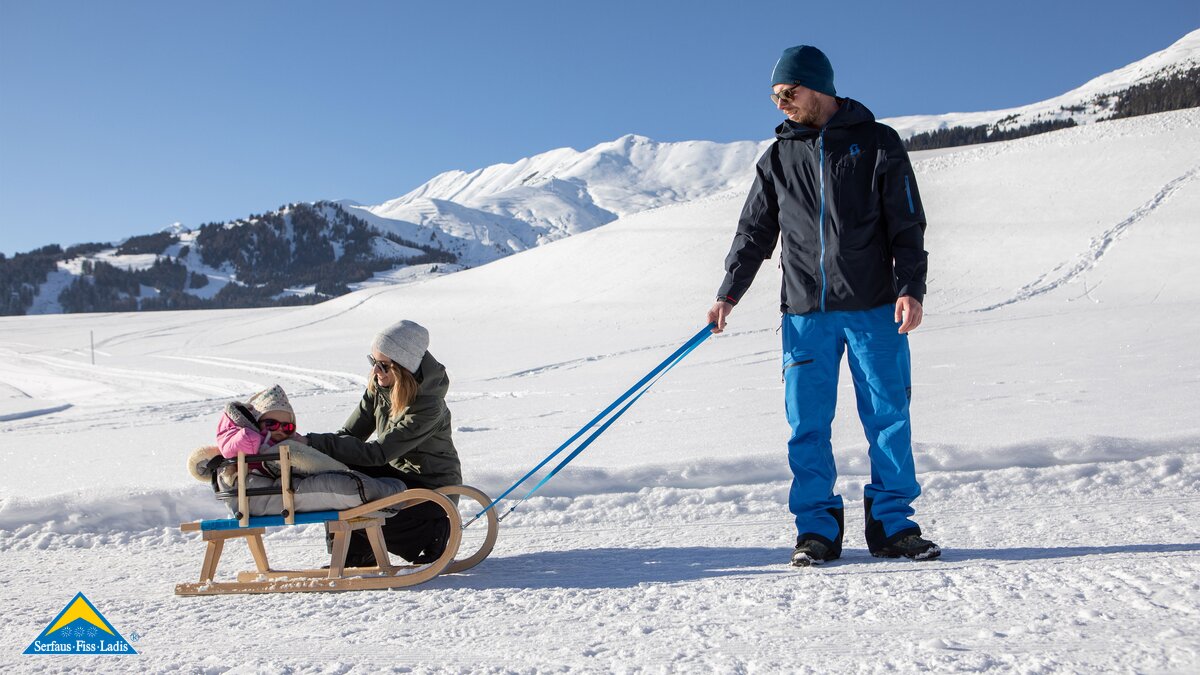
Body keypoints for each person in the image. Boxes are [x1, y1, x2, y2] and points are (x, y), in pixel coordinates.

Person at [706, 45, 940, 566]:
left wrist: (911, 288)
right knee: (806, 424)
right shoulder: (777, 158)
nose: (781, 104)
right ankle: (816, 529)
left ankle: (893, 525)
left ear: (819, 87)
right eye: (774, 96)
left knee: (888, 417)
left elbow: (906, 221)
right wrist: (728, 293)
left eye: (788, 93)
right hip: (804, 313)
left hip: (875, 306)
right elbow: (754, 233)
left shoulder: (877, 143)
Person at [290, 320, 462, 565]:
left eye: (383, 365)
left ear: (404, 368)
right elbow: (349, 435)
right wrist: (309, 451)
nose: (375, 371)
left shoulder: (428, 406)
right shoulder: (379, 388)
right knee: (338, 473)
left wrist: (314, 442)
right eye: (373, 362)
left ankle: (432, 533)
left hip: (431, 490)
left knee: (359, 488)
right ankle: (355, 552)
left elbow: (378, 453)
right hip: (398, 478)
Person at [187, 384, 407, 517]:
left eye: (288, 426)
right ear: (256, 424)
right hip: (256, 496)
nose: (281, 430)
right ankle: (394, 493)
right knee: (347, 485)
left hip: (278, 490)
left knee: (348, 483)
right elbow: (236, 446)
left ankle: (393, 493)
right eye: (271, 424)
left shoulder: (280, 447)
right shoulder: (251, 442)